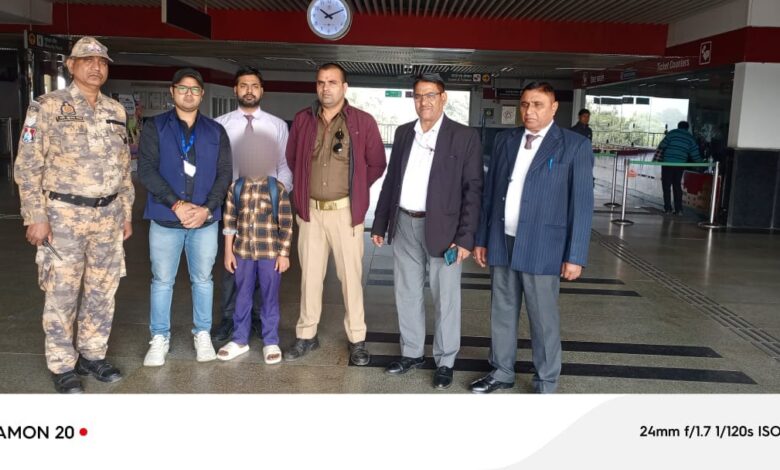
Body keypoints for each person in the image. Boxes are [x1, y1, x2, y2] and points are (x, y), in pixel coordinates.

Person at [14, 37, 134, 393]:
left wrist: (126, 212)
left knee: (102, 290)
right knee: (62, 292)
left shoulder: (116, 110)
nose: (96, 67)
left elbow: (124, 168)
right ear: (71, 65)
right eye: (87, 60)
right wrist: (35, 215)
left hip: (108, 215)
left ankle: (92, 355)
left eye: (102, 62)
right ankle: (62, 364)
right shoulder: (47, 106)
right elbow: (28, 165)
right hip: (63, 215)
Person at [472, 82, 593, 394]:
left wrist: (575, 255)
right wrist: (482, 238)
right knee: (502, 311)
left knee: (543, 318)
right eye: (525, 104)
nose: (529, 111)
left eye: (538, 104)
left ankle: (546, 380)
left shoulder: (574, 145)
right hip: (503, 240)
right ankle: (501, 371)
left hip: (543, 246)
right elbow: (490, 194)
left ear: (554, 107)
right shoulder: (505, 140)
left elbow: (581, 204)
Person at [371, 73, 482, 389]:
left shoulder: (463, 136)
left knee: (446, 298)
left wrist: (465, 238)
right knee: (406, 292)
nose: (424, 102)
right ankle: (412, 353)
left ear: (443, 97)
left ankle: (445, 361)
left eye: (431, 95)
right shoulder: (405, 133)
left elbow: (473, 190)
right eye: (418, 96)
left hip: (445, 230)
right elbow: (391, 181)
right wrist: (380, 222)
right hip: (404, 223)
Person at [285, 63, 386, 365]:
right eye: (320, 82)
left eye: (332, 82)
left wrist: (356, 189)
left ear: (344, 87)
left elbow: (377, 163)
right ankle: (306, 335)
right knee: (309, 277)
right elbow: (292, 159)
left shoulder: (362, 121)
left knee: (350, 279)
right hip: (311, 213)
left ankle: (357, 339)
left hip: (345, 213)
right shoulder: (303, 120)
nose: (325, 87)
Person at [137, 68, 232, 366]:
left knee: (203, 280)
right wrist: (176, 204)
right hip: (166, 218)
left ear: (202, 94)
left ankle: (202, 333)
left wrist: (206, 209)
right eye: (182, 88)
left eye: (194, 89)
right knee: (162, 281)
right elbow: (146, 170)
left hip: (204, 221)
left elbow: (224, 174)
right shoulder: (155, 127)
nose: (188, 94)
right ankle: (159, 337)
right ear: (172, 91)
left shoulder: (215, 131)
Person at [213, 66, 293, 342]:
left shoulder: (277, 125)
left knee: (265, 267)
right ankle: (229, 318)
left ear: (262, 91)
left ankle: (258, 319)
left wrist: (278, 194)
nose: (249, 90)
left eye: (254, 86)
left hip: (267, 206)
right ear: (235, 90)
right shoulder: (221, 124)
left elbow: (284, 165)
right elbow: (216, 166)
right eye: (244, 85)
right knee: (232, 265)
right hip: (233, 203)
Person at [219, 150, 293, 364]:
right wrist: (228, 252)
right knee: (242, 294)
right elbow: (229, 222)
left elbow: (286, 224)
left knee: (270, 296)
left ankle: (271, 340)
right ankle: (239, 339)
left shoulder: (277, 188)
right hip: (242, 252)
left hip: (270, 253)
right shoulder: (236, 188)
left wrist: (284, 254)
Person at [655, 121, 702, 215]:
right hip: (680, 164)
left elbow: (662, 145)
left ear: (678, 126)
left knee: (666, 186)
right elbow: (695, 153)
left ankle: (668, 209)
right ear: (687, 128)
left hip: (667, 163)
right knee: (677, 185)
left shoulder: (672, 133)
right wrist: (701, 164)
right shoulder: (690, 138)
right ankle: (679, 210)